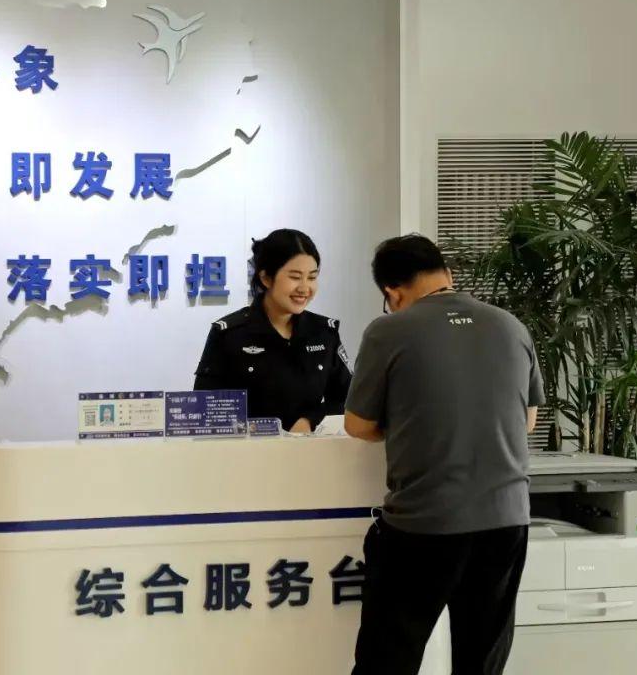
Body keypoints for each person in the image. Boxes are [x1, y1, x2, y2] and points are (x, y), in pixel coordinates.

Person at [344, 234, 544, 675]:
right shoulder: (510, 325)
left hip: (424, 523)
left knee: (387, 660)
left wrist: (410, 425)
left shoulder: (388, 330)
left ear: (392, 293)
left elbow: (357, 424)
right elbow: (527, 420)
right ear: (447, 274)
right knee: (481, 661)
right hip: (506, 520)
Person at [194, 229, 352, 432]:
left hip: (309, 448)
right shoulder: (229, 334)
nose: (305, 288)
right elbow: (205, 409)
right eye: (295, 277)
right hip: (247, 450)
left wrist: (310, 420)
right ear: (266, 278)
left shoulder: (324, 332)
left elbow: (349, 399)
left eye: (312, 277)